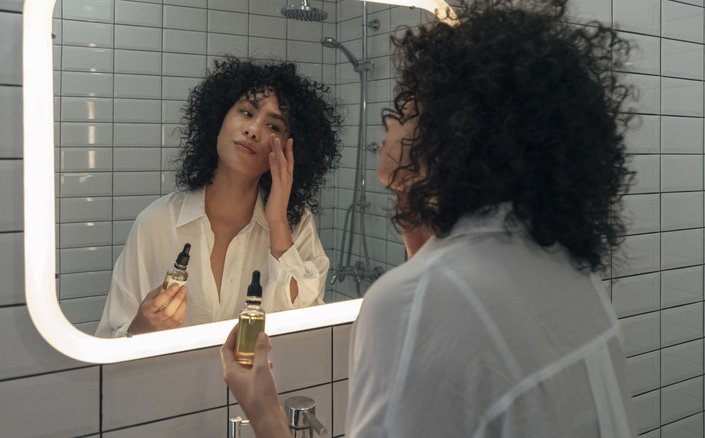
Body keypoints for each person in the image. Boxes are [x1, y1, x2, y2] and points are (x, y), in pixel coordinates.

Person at [221, 0, 637, 436]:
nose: (391, 116)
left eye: (411, 105)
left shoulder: (417, 303)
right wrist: (412, 204)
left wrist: (264, 410)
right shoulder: (570, 271)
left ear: (459, 134)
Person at [95, 57, 342, 338]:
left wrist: (277, 223)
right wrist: (141, 327)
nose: (253, 130)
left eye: (273, 126)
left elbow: (308, 328)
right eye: (247, 113)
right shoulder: (156, 222)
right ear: (219, 118)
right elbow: (108, 337)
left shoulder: (296, 224)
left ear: (289, 149)